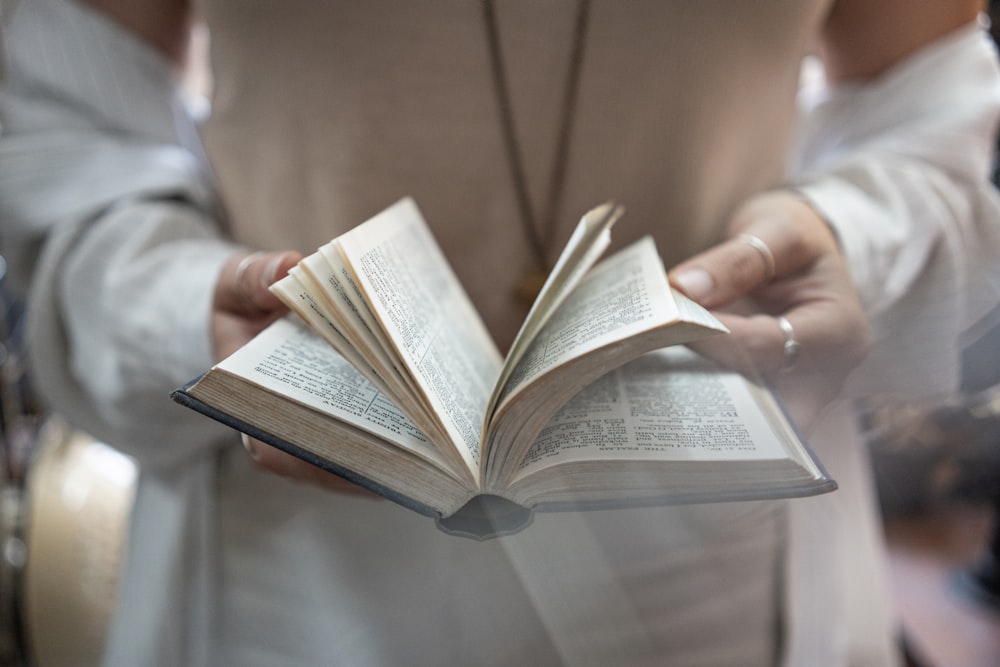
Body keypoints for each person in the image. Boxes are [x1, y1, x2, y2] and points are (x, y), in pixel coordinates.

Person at [1, 0, 999, 665]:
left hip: (713, 553)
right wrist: (181, 308)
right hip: (297, 562)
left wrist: (848, 240)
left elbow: (927, 108)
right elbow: (66, 121)